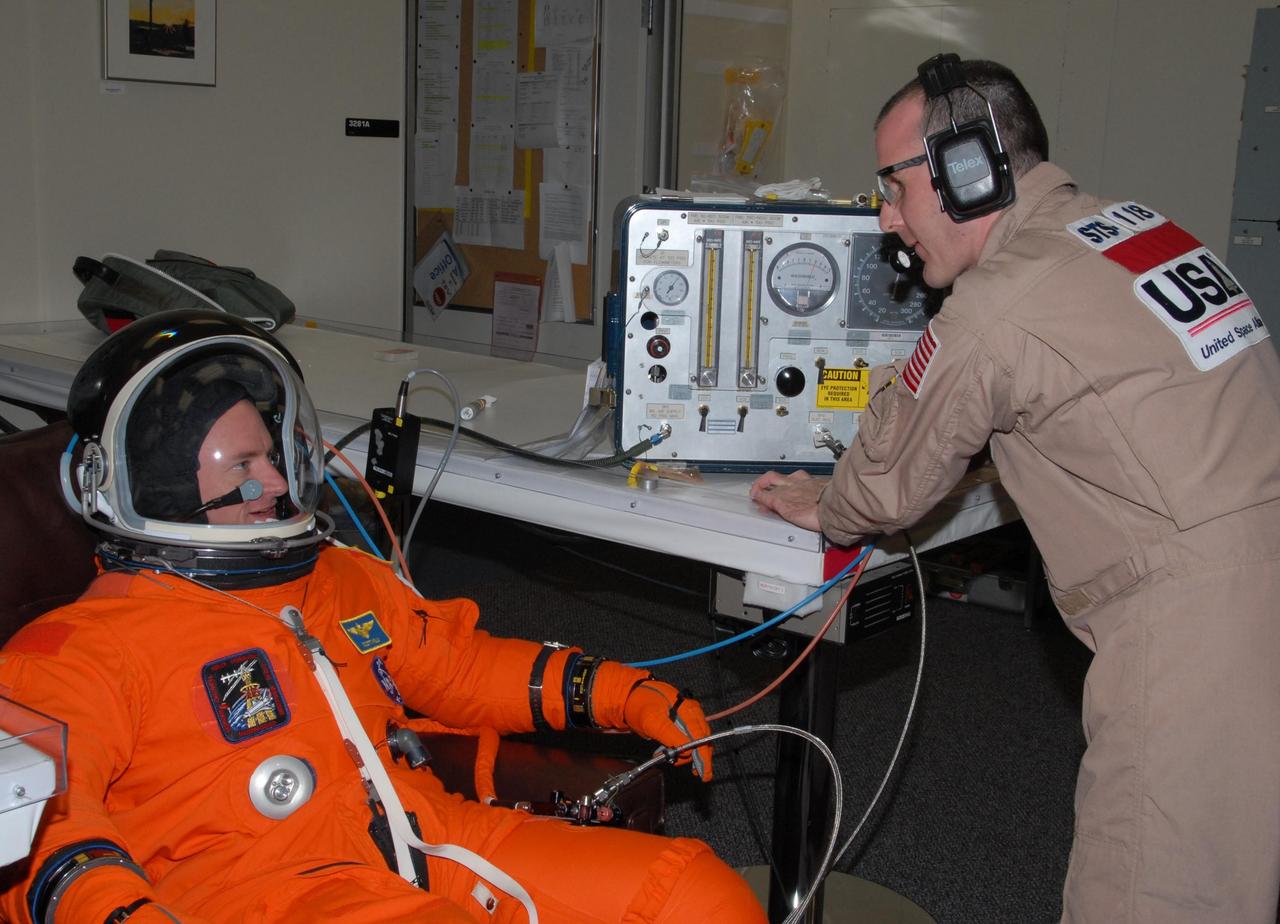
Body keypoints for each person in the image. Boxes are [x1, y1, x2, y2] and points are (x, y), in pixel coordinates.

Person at [0, 309, 766, 924]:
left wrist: (618, 693)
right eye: (242, 468)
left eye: (272, 456)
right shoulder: (78, 649)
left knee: (701, 896)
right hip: (258, 886)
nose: (273, 480)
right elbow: (41, 830)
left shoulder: (338, 579)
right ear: (156, 489)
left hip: (421, 830)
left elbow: (460, 667)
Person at [751, 55, 1280, 924]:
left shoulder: (1002, 299)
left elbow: (882, 486)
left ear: (969, 169)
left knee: (1156, 893)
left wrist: (828, 500)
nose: (889, 220)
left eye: (893, 186)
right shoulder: (1129, 225)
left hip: (1198, 633)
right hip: (1252, 582)